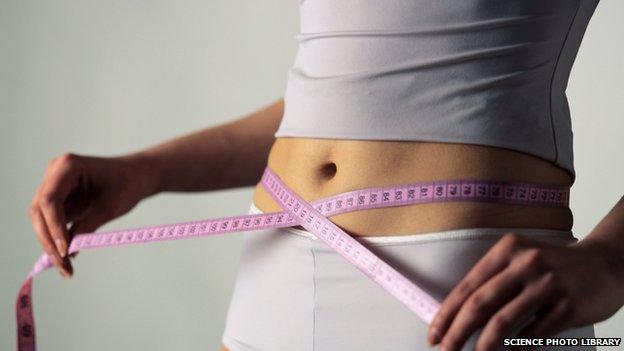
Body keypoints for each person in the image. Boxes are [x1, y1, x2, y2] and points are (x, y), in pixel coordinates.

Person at [27, 1, 623, 350]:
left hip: (467, 289)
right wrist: (145, 171)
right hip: (276, 274)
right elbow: (338, 100)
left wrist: (611, 262)